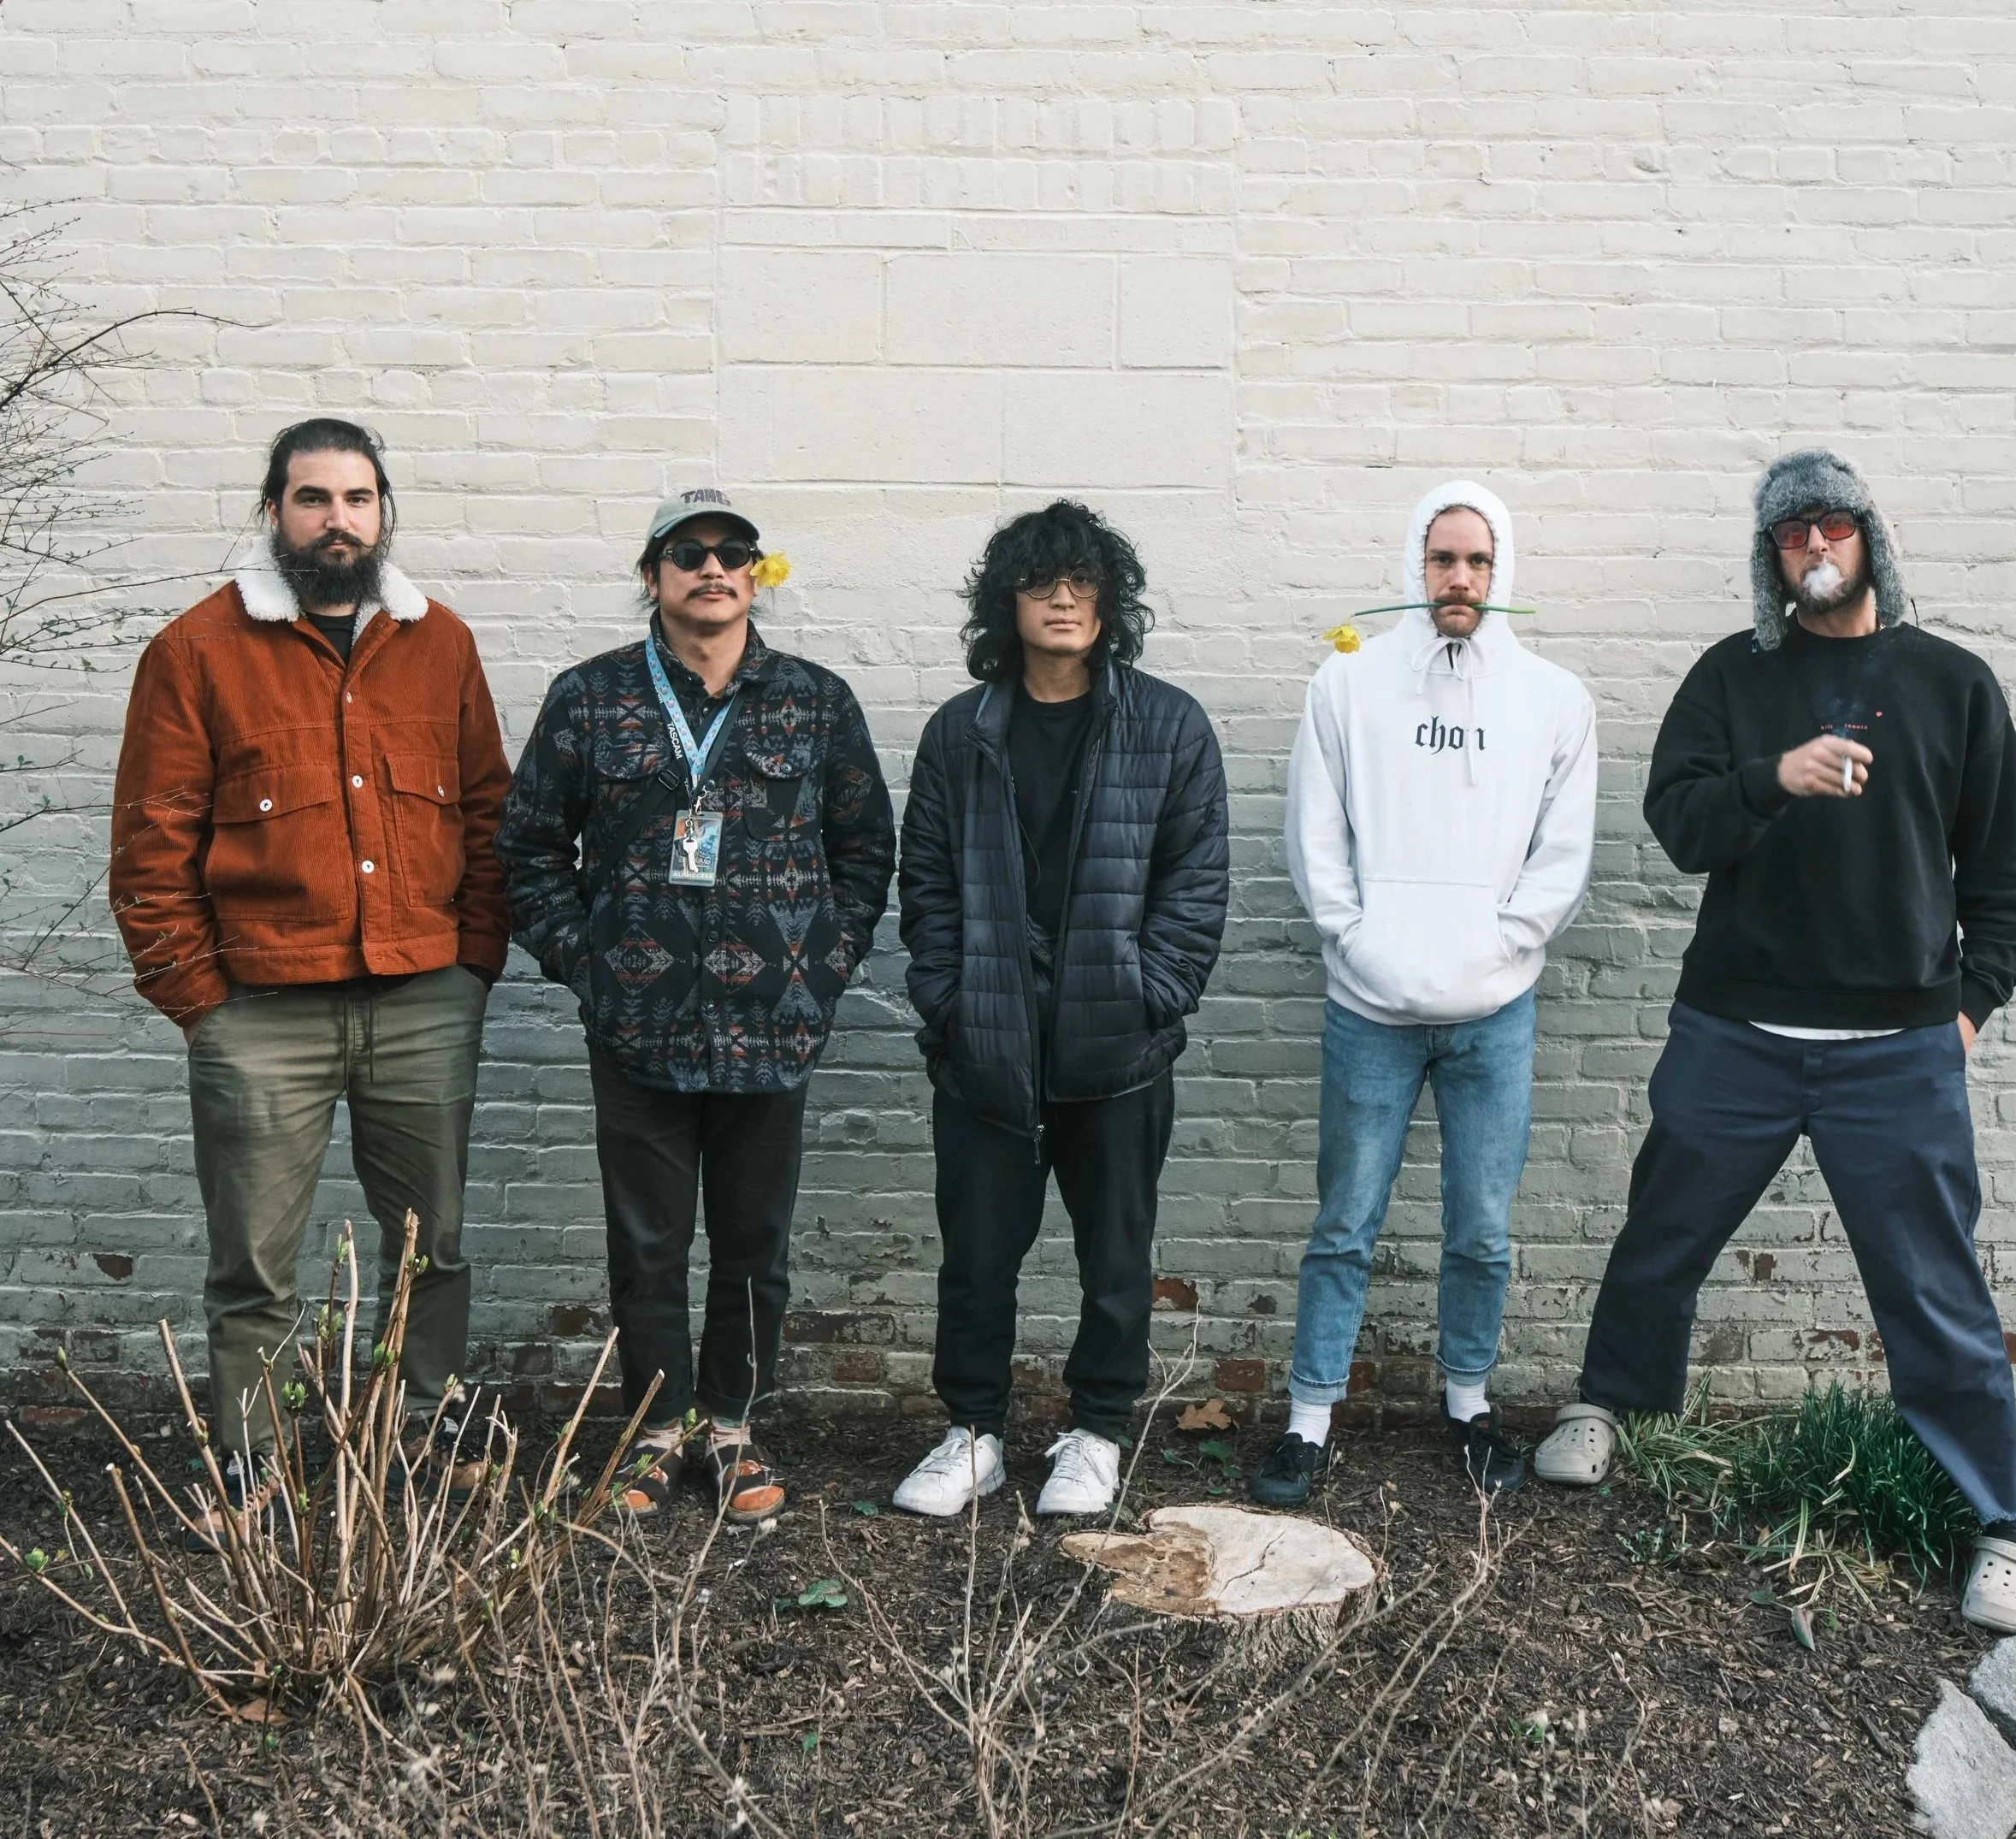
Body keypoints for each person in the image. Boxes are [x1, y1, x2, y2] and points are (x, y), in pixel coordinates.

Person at [1532, 449, 2016, 1635]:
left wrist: (1958, 1012)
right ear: (1771, 560)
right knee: (1662, 1230)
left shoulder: (1952, 685)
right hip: (1739, 1028)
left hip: (1896, 1048)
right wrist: (1773, 776)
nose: (1815, 548)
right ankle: (1609, 1403)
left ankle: (2003, 1521)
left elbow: (2006, 889)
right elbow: (1681, 824)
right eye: (1791, 535)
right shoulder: (1733, 678)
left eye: (1834, 527)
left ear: (1871, 538)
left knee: (1933, 1286)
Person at [109, 418, 511, 1530]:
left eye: (357, 497)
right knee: (257, 1261)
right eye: (312, 497)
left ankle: (416, 1435)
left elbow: (489, 815)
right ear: (274, 510)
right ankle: (249, 1458)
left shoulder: (441, 644)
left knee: (435, 1245)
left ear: (385, 513)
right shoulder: (196, 652)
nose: (338, 518)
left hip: (423, 996)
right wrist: (202, 1002)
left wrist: (473, 961)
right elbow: (151, 850)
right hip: (260, 1014)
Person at [498, 489, 894, 1523]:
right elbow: (529, 850)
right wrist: (592, 966)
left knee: (754, 1243)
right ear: (652, 574)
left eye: (734, 553)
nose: (712, 568)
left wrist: (827, 961)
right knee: (649, 1243)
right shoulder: (589, 699)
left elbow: (864, 852)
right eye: (689, 552)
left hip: (773, 1022)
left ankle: (730, 1429)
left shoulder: (815, 700)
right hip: (640, 1027)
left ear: (757, 575)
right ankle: (651, 1436)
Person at [1253, 482, 1597, 1509]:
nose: (1460, 579)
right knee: (1344, 1220)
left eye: (1478, 563)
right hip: (1370, 1008)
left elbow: (1561, 854)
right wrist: (1356, 936)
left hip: (1494, 1009)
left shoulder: (1551, 698)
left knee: (1480, 1225)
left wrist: (1501, 945)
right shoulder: (1345, 685)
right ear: (1417, 564)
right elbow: (1315, 834)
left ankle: (1467, 1402)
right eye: (1444, 559)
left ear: (1503, 574)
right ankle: (1308, 1418)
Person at [891, 500, 1228, 1518]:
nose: (1064, 597)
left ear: (1110, 598)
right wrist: (948, 1002)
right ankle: (974, 1431)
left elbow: (1196, 882)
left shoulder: (1167, 724)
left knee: (1115, 1255)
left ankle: (1095, 1430)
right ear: (1008, 600)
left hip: (1115, 1048)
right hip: (987, 1044)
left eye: (1083, 580)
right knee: (978, 1255)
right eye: (1042, 580)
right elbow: (928, 886)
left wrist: (1147, 991)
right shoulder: (962, 731)